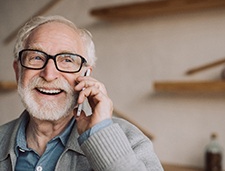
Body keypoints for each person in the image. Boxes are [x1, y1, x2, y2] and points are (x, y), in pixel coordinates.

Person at [0, 15, 163, 171]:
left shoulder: (130, 140)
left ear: (86, 75)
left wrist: (101, 136)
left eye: (67, 60)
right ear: (18, 71)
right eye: (36, 57)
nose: (49, 75)